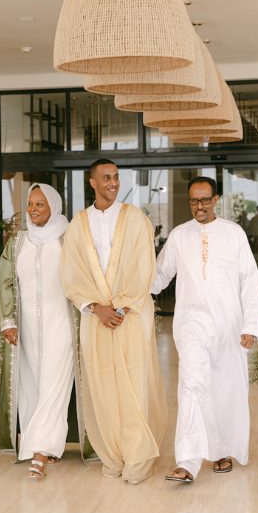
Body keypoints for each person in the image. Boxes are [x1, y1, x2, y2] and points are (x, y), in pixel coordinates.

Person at [60, 159, 167, 484]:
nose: (113, 183)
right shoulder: (77, 226)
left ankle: (137, 457)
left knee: (134, 385)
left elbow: (143, 267)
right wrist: (95, 307)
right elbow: (71, 273)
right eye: (106, 178)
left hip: (130, 317)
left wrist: (118, 306)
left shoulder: (136, 219)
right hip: (96, 319)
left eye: (116, 178)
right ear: (92, 182)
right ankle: (113, 455)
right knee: (103, 387)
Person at [151, 177, 258, 485]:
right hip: (191, 323)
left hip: (229, 325)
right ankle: (187, 460)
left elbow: (250, 279)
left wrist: (251, 324)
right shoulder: (179, 235)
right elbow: (158, 276)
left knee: (225, 389)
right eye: (194, 201)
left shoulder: (233, 233)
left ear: (216, 200)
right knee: (191, 385)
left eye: (205, 200)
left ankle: (222, 450)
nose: (199, 206)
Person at [0, 183, 94, 479]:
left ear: (54, 206)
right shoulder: (17, 243)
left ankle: (40, 451)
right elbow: (6, 283)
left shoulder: (68, 239)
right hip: (26, 328)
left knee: (54, 385)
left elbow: (82, 278)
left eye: (40, 204)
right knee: (31, 386)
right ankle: (38, 444)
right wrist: (9, 321)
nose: (33, 210)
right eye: (30, 204)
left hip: (61, 324)